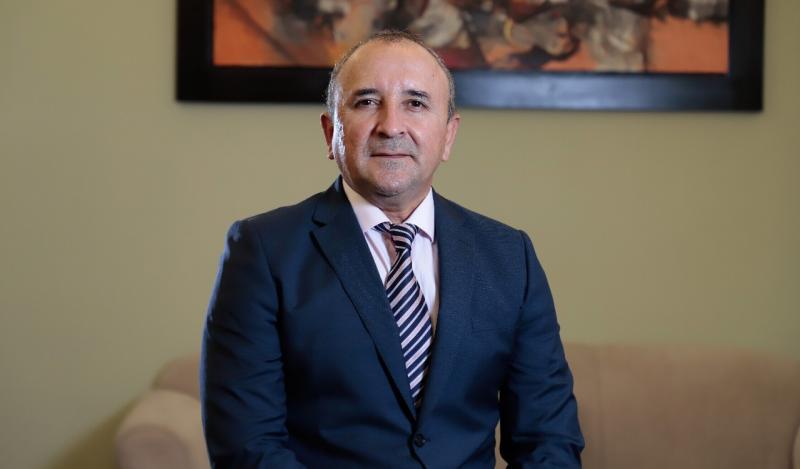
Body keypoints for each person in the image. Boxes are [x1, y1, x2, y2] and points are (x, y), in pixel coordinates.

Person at [201, 30, 584, 468]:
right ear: (330, 132)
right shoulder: (264, 250)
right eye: (367, 102)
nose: (391, 126)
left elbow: (548, 439)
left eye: (415, 103)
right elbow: (248, 447)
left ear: (449, 135)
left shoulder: (510, 257)